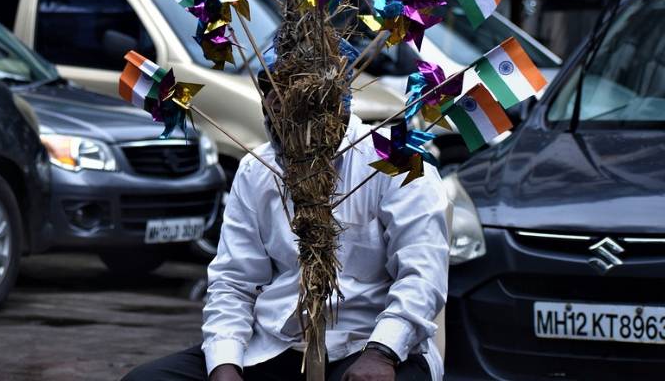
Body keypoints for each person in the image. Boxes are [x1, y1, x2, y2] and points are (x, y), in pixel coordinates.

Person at [123, 97, 449, 381]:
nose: (278, 103)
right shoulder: (257, 168)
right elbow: (233, 281)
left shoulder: (397, 156)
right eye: (270, 93)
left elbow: (422, 275)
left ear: (335, 99)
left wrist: (382, 351)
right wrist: (224, 363)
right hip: (274, 345)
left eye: (298, 93)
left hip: (368, 344)